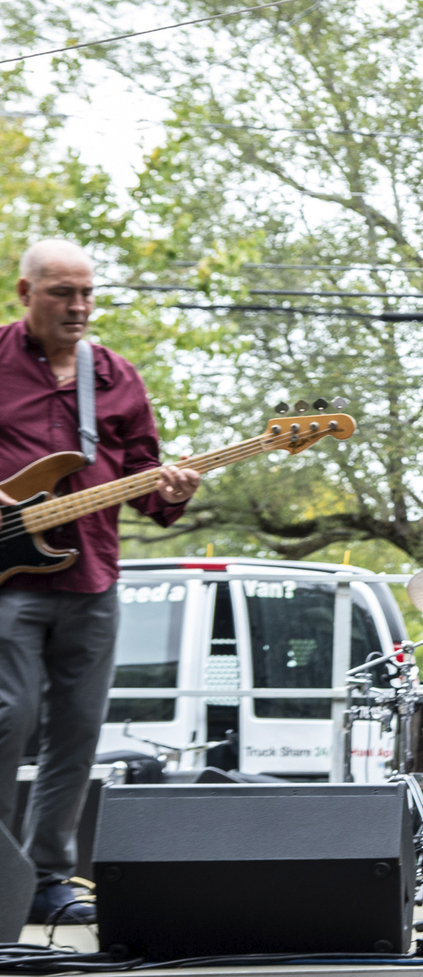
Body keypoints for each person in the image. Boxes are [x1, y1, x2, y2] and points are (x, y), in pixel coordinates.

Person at [0, 239, 201, 925]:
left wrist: (174, 488)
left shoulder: (117, 377)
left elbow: (149, 488)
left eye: (87, 292)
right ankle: (2, 874)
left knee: (78, 731)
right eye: (62, 292)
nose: (79, 306)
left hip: (90, 578)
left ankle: (48, 878)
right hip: (9, 584)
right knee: (10, 717)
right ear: (26, 293)